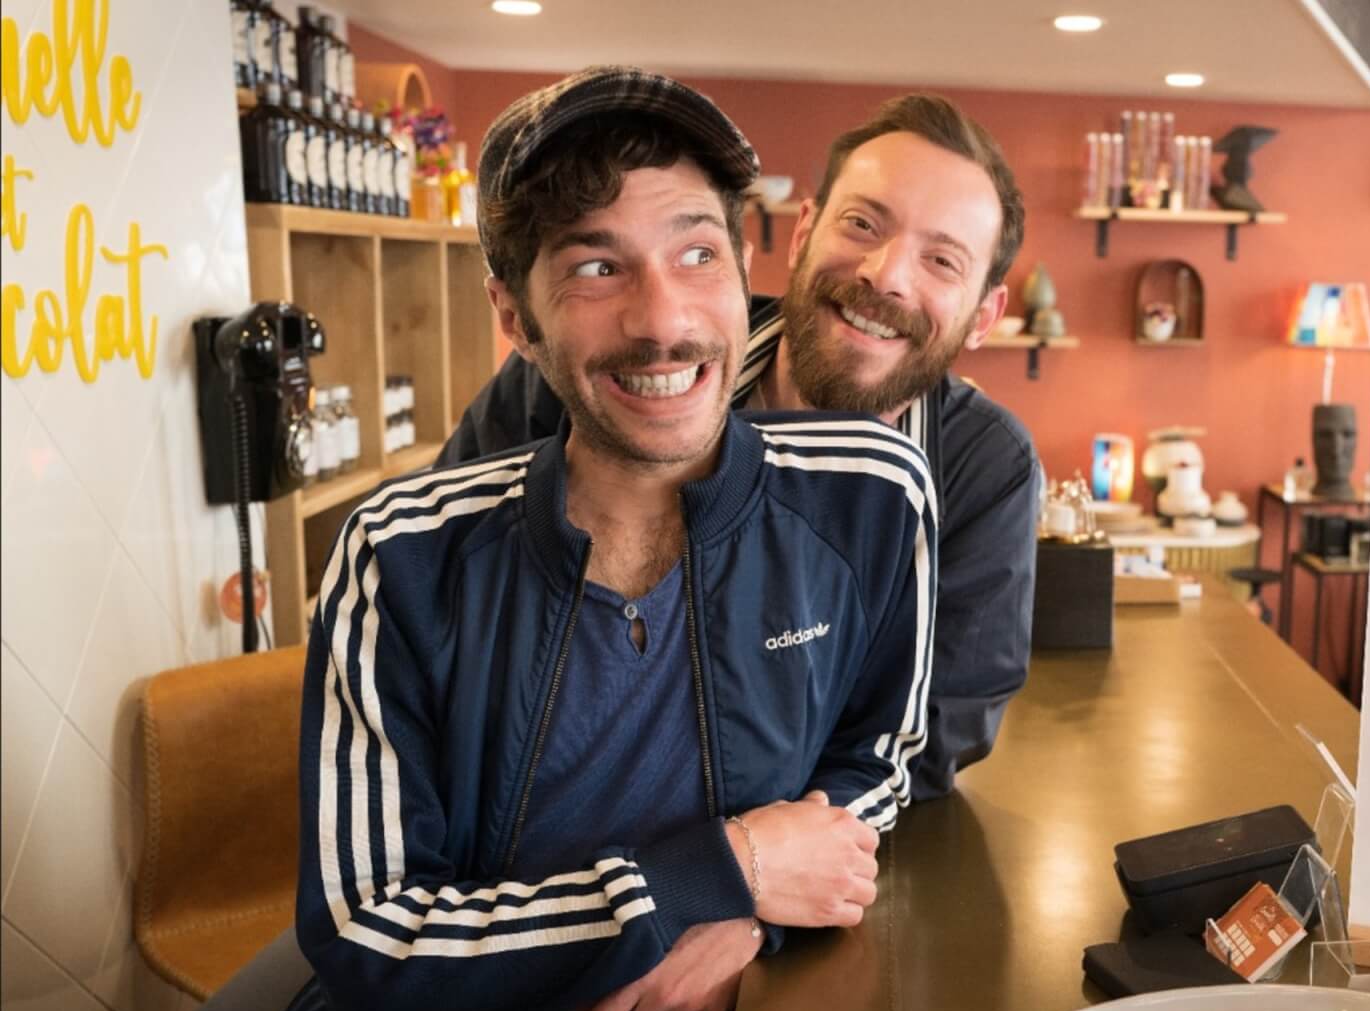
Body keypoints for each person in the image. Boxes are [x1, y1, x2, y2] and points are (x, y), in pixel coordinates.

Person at [279, 67, 938, 1011]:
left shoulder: (871, 495)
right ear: (516, 319)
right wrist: (722, 878)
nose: (664, 321)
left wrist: (749, 925)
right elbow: (373, 943)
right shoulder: (401, 554)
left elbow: (879, 756)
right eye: (596, 267)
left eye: (697, 254)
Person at [441, 92, 1038, 802]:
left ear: (985, 317)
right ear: (802, 233)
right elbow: (442, 626)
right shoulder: (580, 376)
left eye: (942, 260)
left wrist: (762, 855)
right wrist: (715, 860)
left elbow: (938, 728)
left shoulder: (983, 466)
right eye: (861, 223)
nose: (886, 274)